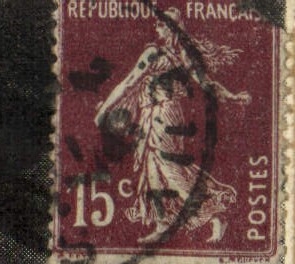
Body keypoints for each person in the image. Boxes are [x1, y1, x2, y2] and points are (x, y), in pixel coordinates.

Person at [94, 7, 250, 243]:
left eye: (160, 25)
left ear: (170, 29)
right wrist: (233, 96)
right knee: (153, 168)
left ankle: (214, 214)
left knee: (169, 170)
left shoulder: (153, 53)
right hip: (166, 114)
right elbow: (207, 84)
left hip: (160, 116)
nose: (156, 29)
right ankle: (162, 224)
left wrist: (104, 110)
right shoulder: (184, 55)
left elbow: (128, 84)